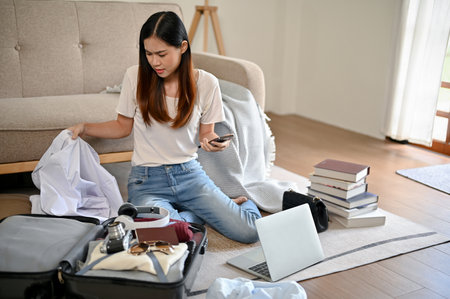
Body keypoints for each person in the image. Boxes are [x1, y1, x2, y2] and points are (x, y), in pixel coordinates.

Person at [68, 11, 261, 244]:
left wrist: (212, 142)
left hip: (190, 175)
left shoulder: (207, 83)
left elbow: (206, 133)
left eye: (161, 54)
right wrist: (85, 127)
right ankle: (194, 215)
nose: (154, 62)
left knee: (250, 232)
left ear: (182, 47)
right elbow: (122, 127)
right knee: (167, 239)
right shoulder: (135, 77)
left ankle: (229, 206)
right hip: (147, 181)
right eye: (148, 53)